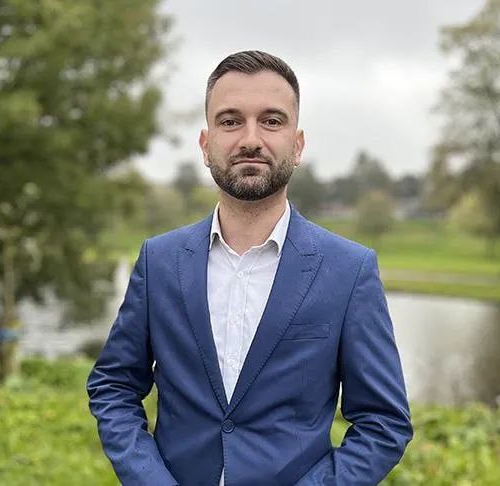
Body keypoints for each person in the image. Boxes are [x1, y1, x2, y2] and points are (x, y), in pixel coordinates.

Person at [87, 50, 412, 486]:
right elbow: (113, 387)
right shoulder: (159, 261)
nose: (251, 139)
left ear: (297, 145)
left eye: (272, 121)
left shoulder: (349, 271)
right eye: (230, 121)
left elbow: (384, 423)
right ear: (206, 145)